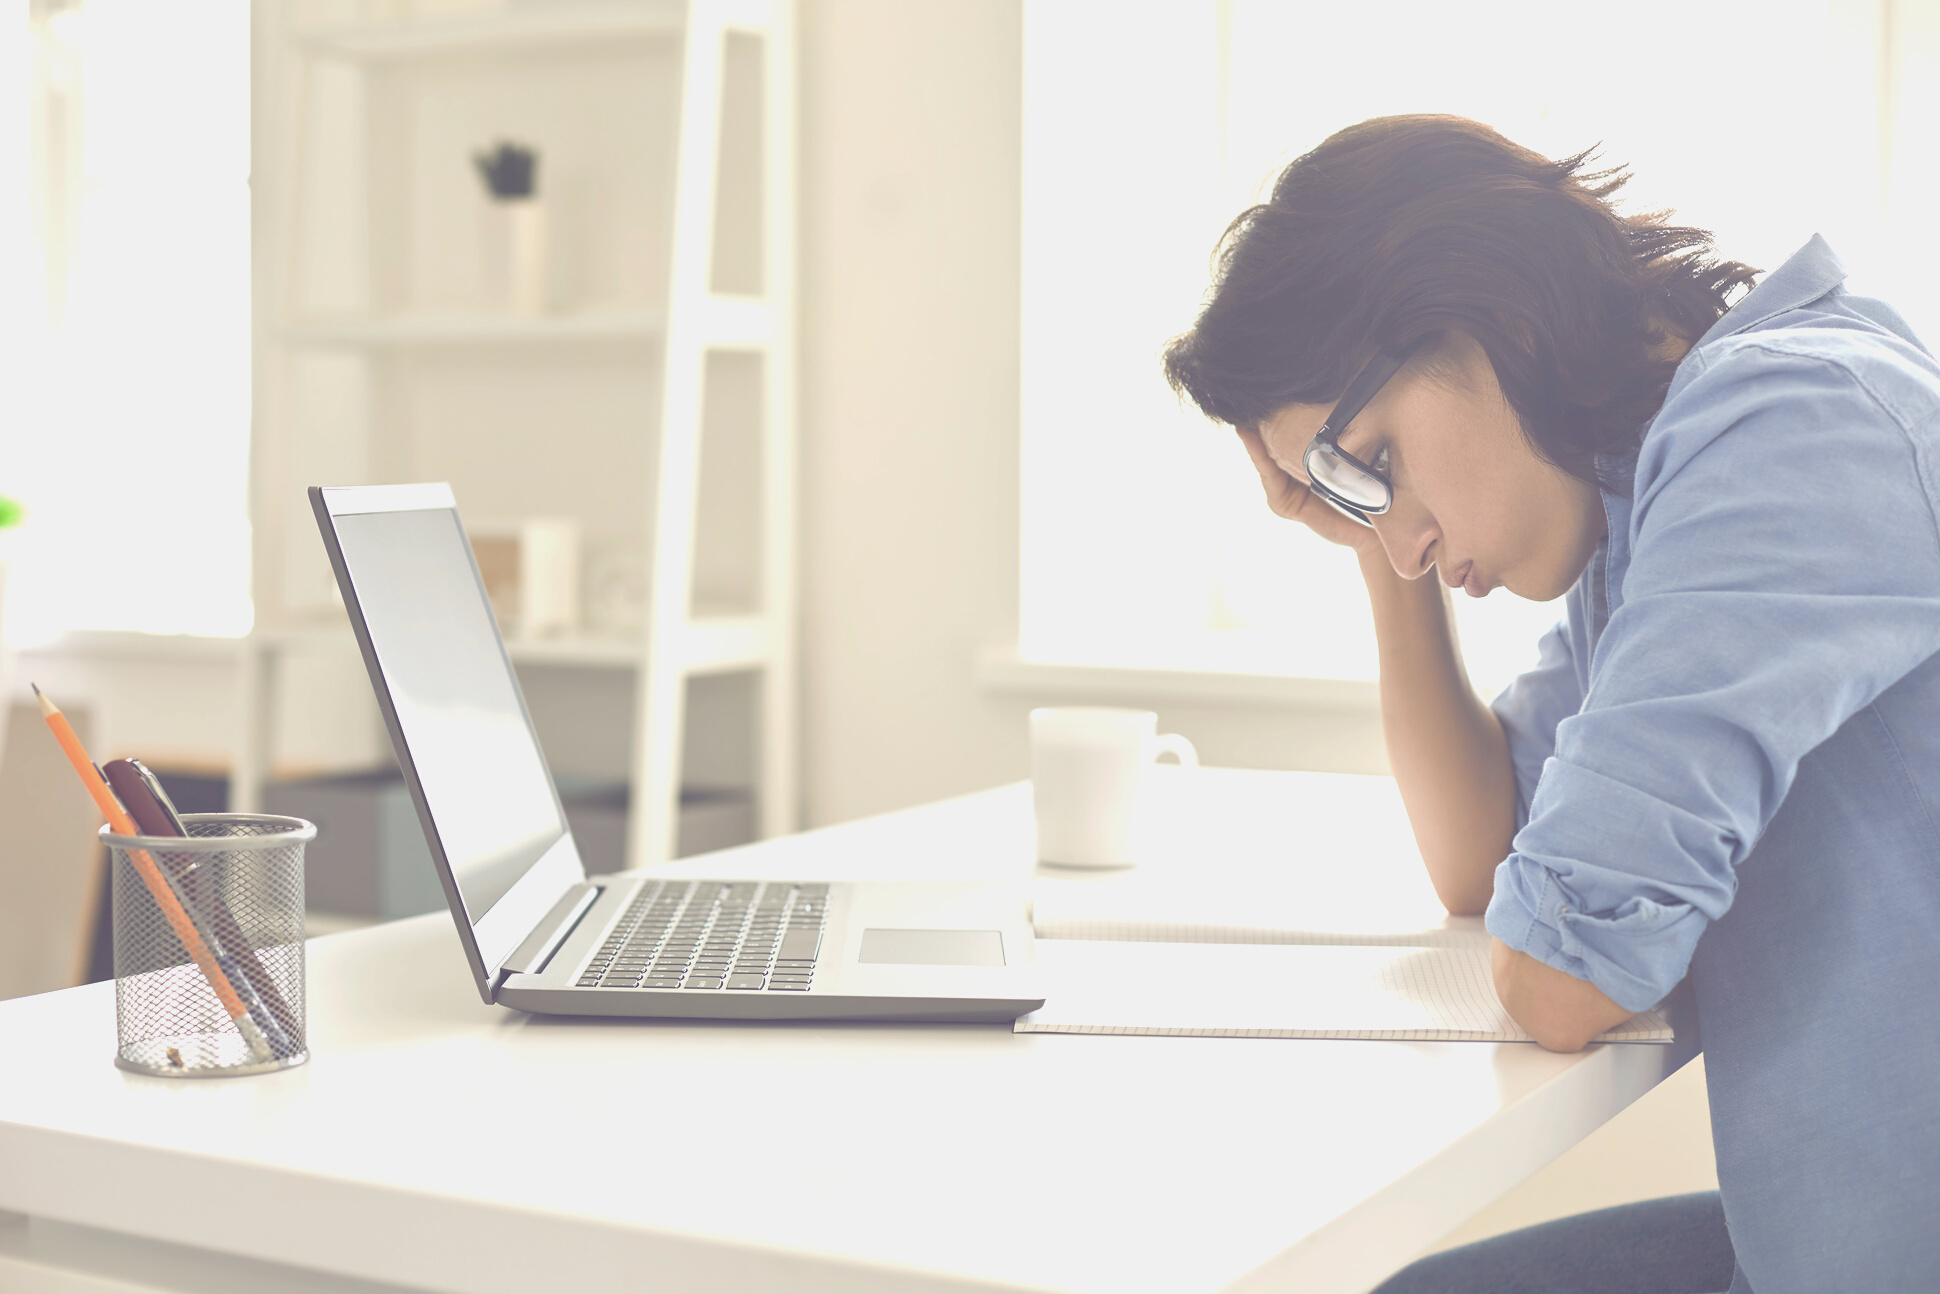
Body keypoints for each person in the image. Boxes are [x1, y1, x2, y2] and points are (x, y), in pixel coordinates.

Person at [1161, 115, 1940, 1293]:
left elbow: (1565, 978)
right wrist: (1379, 539)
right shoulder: (1646, 498)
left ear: (1496, 321)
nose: (1405, 537)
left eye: (1369, 457)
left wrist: (1386, 508)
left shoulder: (1788, 429)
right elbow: (1483, 862)